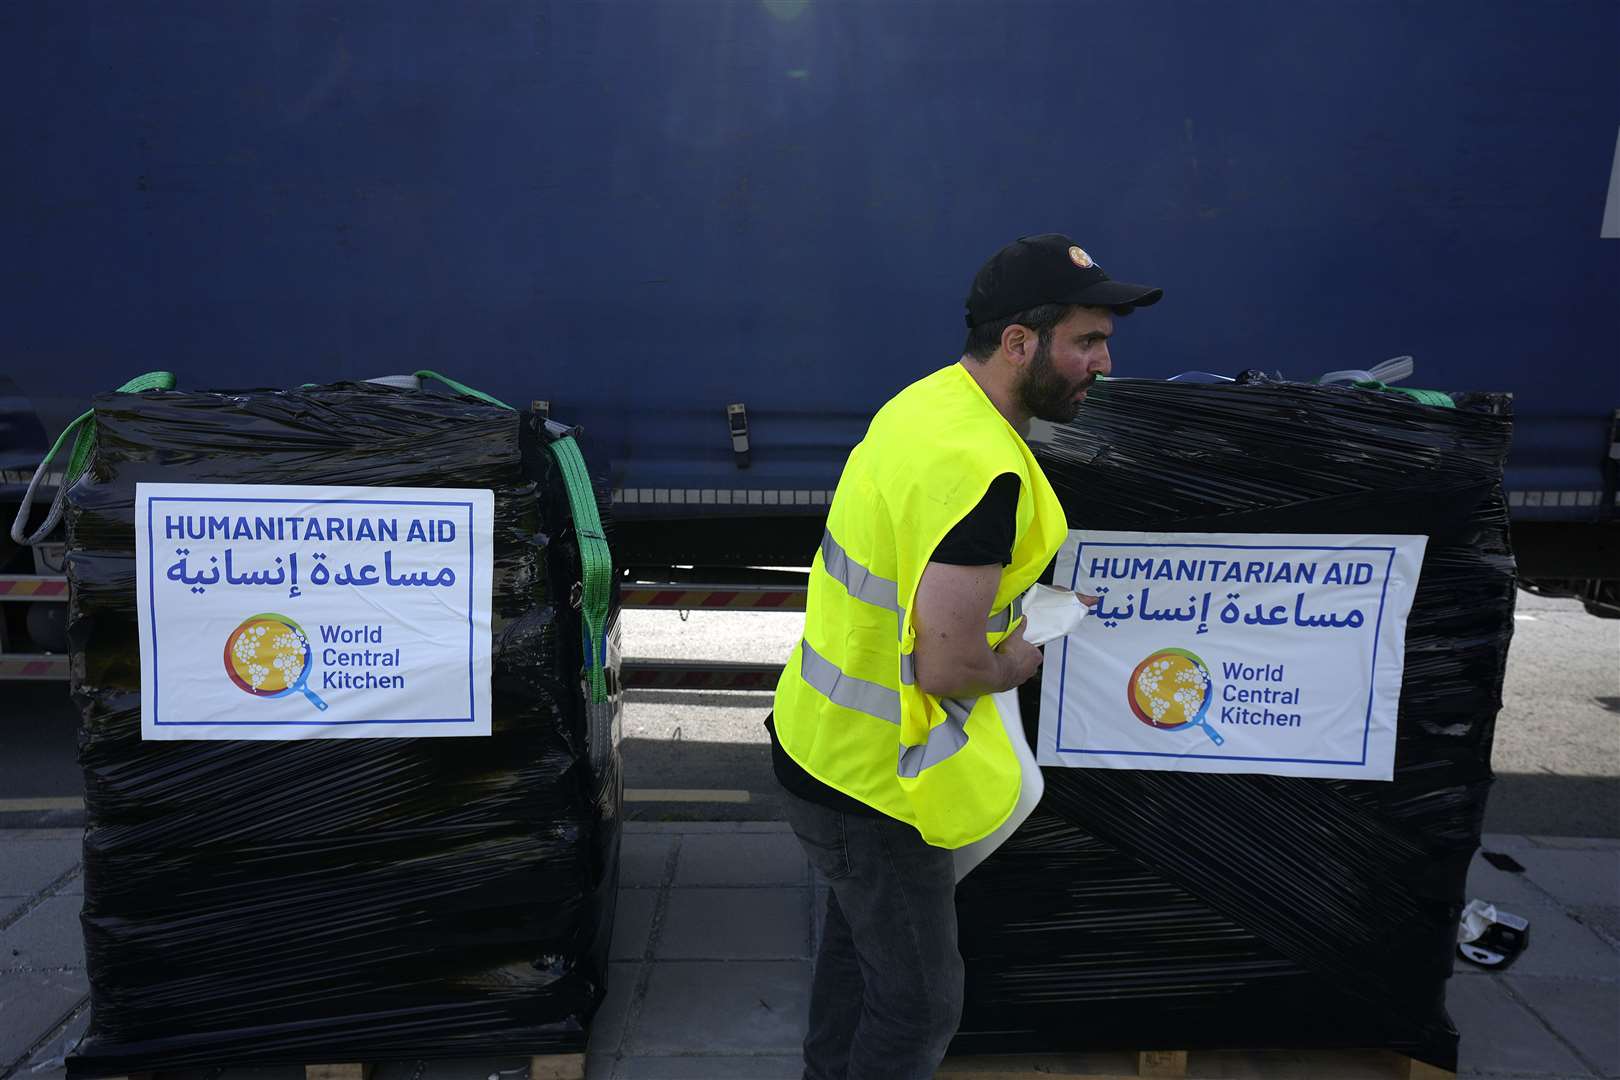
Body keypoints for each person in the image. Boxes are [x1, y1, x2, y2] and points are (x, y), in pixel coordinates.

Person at [766, 233, 1162, 1080]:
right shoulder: (983, 472)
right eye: (1087, 341)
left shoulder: (929, 403)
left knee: (858, 957)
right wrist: (1019, 658)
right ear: (1021, 342)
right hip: (877, 785)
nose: (1103, 362)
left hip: (823, 743)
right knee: (917, 1005)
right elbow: (946, 669)